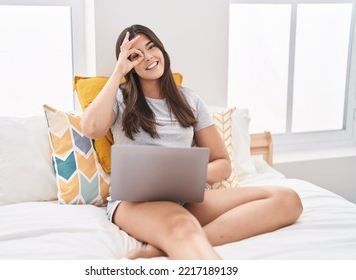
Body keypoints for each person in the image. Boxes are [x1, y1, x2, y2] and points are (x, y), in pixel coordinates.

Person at [81, 24, 303, 260]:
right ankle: (179, 239)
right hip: (135, 202)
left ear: (162, 50)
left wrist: (191, 175)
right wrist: (118, 73)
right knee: (181, 223)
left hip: (186, 196)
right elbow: (90, 128)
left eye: (151, 47)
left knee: (287, 199)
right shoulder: (120, 98)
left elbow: (223, 164)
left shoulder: (190, 100)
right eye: (136, 55)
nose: (148, 57)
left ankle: (165, 246)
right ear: (129, 64)